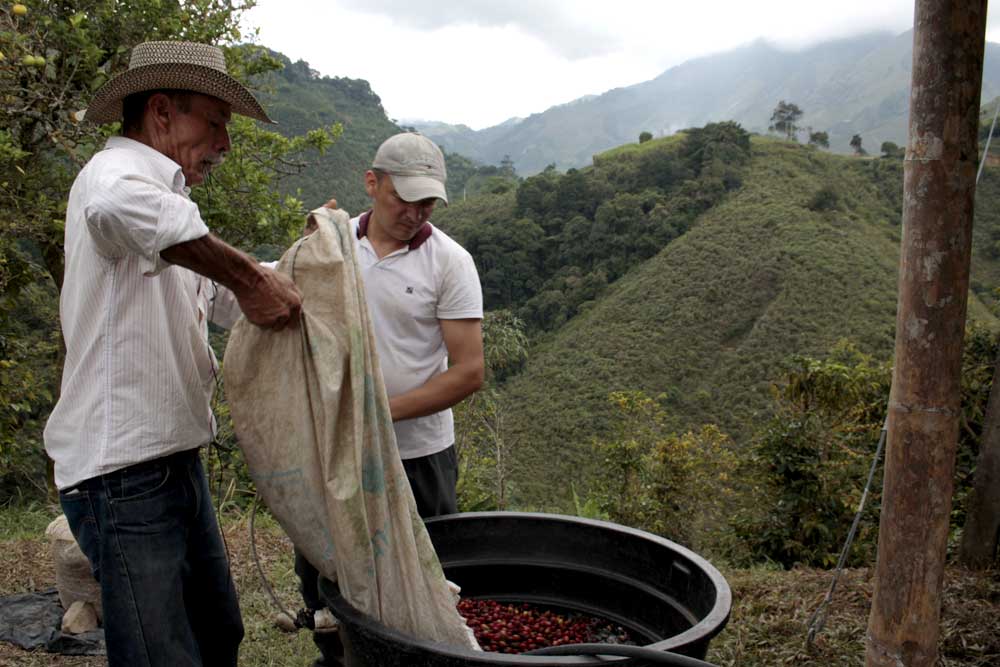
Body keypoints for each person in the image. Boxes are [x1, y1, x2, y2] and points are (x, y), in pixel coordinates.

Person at [43, 41, 302, 667]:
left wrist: (309, 277)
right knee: (161, 654)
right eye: (214, 123)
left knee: (218, 634)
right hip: (123, 474)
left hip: (173, 460)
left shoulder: (171, 208)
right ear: (162, 111)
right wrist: (250, 277)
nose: (224, 144)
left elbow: (221, 301)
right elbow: (117, 208)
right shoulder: (112, 178)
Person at [295, 133, 485, 666]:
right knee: (328, 569)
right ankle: (336, 656)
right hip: (335, 447)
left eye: (427, 202)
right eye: (405, 198)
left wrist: (378, 413)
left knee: (423, 574)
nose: (415, 212)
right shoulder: (329, 247)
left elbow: (469, 371)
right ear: (372, 183)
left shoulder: (450, 262)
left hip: (419, 454)